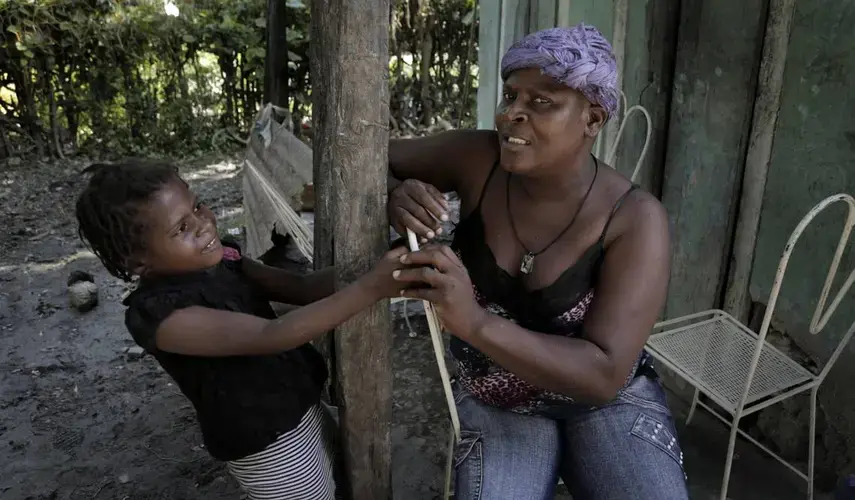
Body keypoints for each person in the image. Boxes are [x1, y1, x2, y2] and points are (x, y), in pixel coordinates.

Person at [387, 24, 689, 500]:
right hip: (495, 397)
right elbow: (368, 161)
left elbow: (603, 376)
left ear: (592, 119)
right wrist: (393, 194)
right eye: (510, 97)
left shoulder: (633, 219)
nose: (511, 116)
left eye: (541, 102)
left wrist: (473, 322)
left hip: (606, 405)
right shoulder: (477, 159)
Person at [74, 160, 407, 500]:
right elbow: (271, 334)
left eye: (198, 206)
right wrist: (372, 287)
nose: (204, 224)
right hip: (268, 447)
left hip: (304, 405)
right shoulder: (160, 316)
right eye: (181, 229)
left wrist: (382, 266)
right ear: (137, 261)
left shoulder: (227, 261)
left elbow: (303, 288)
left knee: (339, 481)